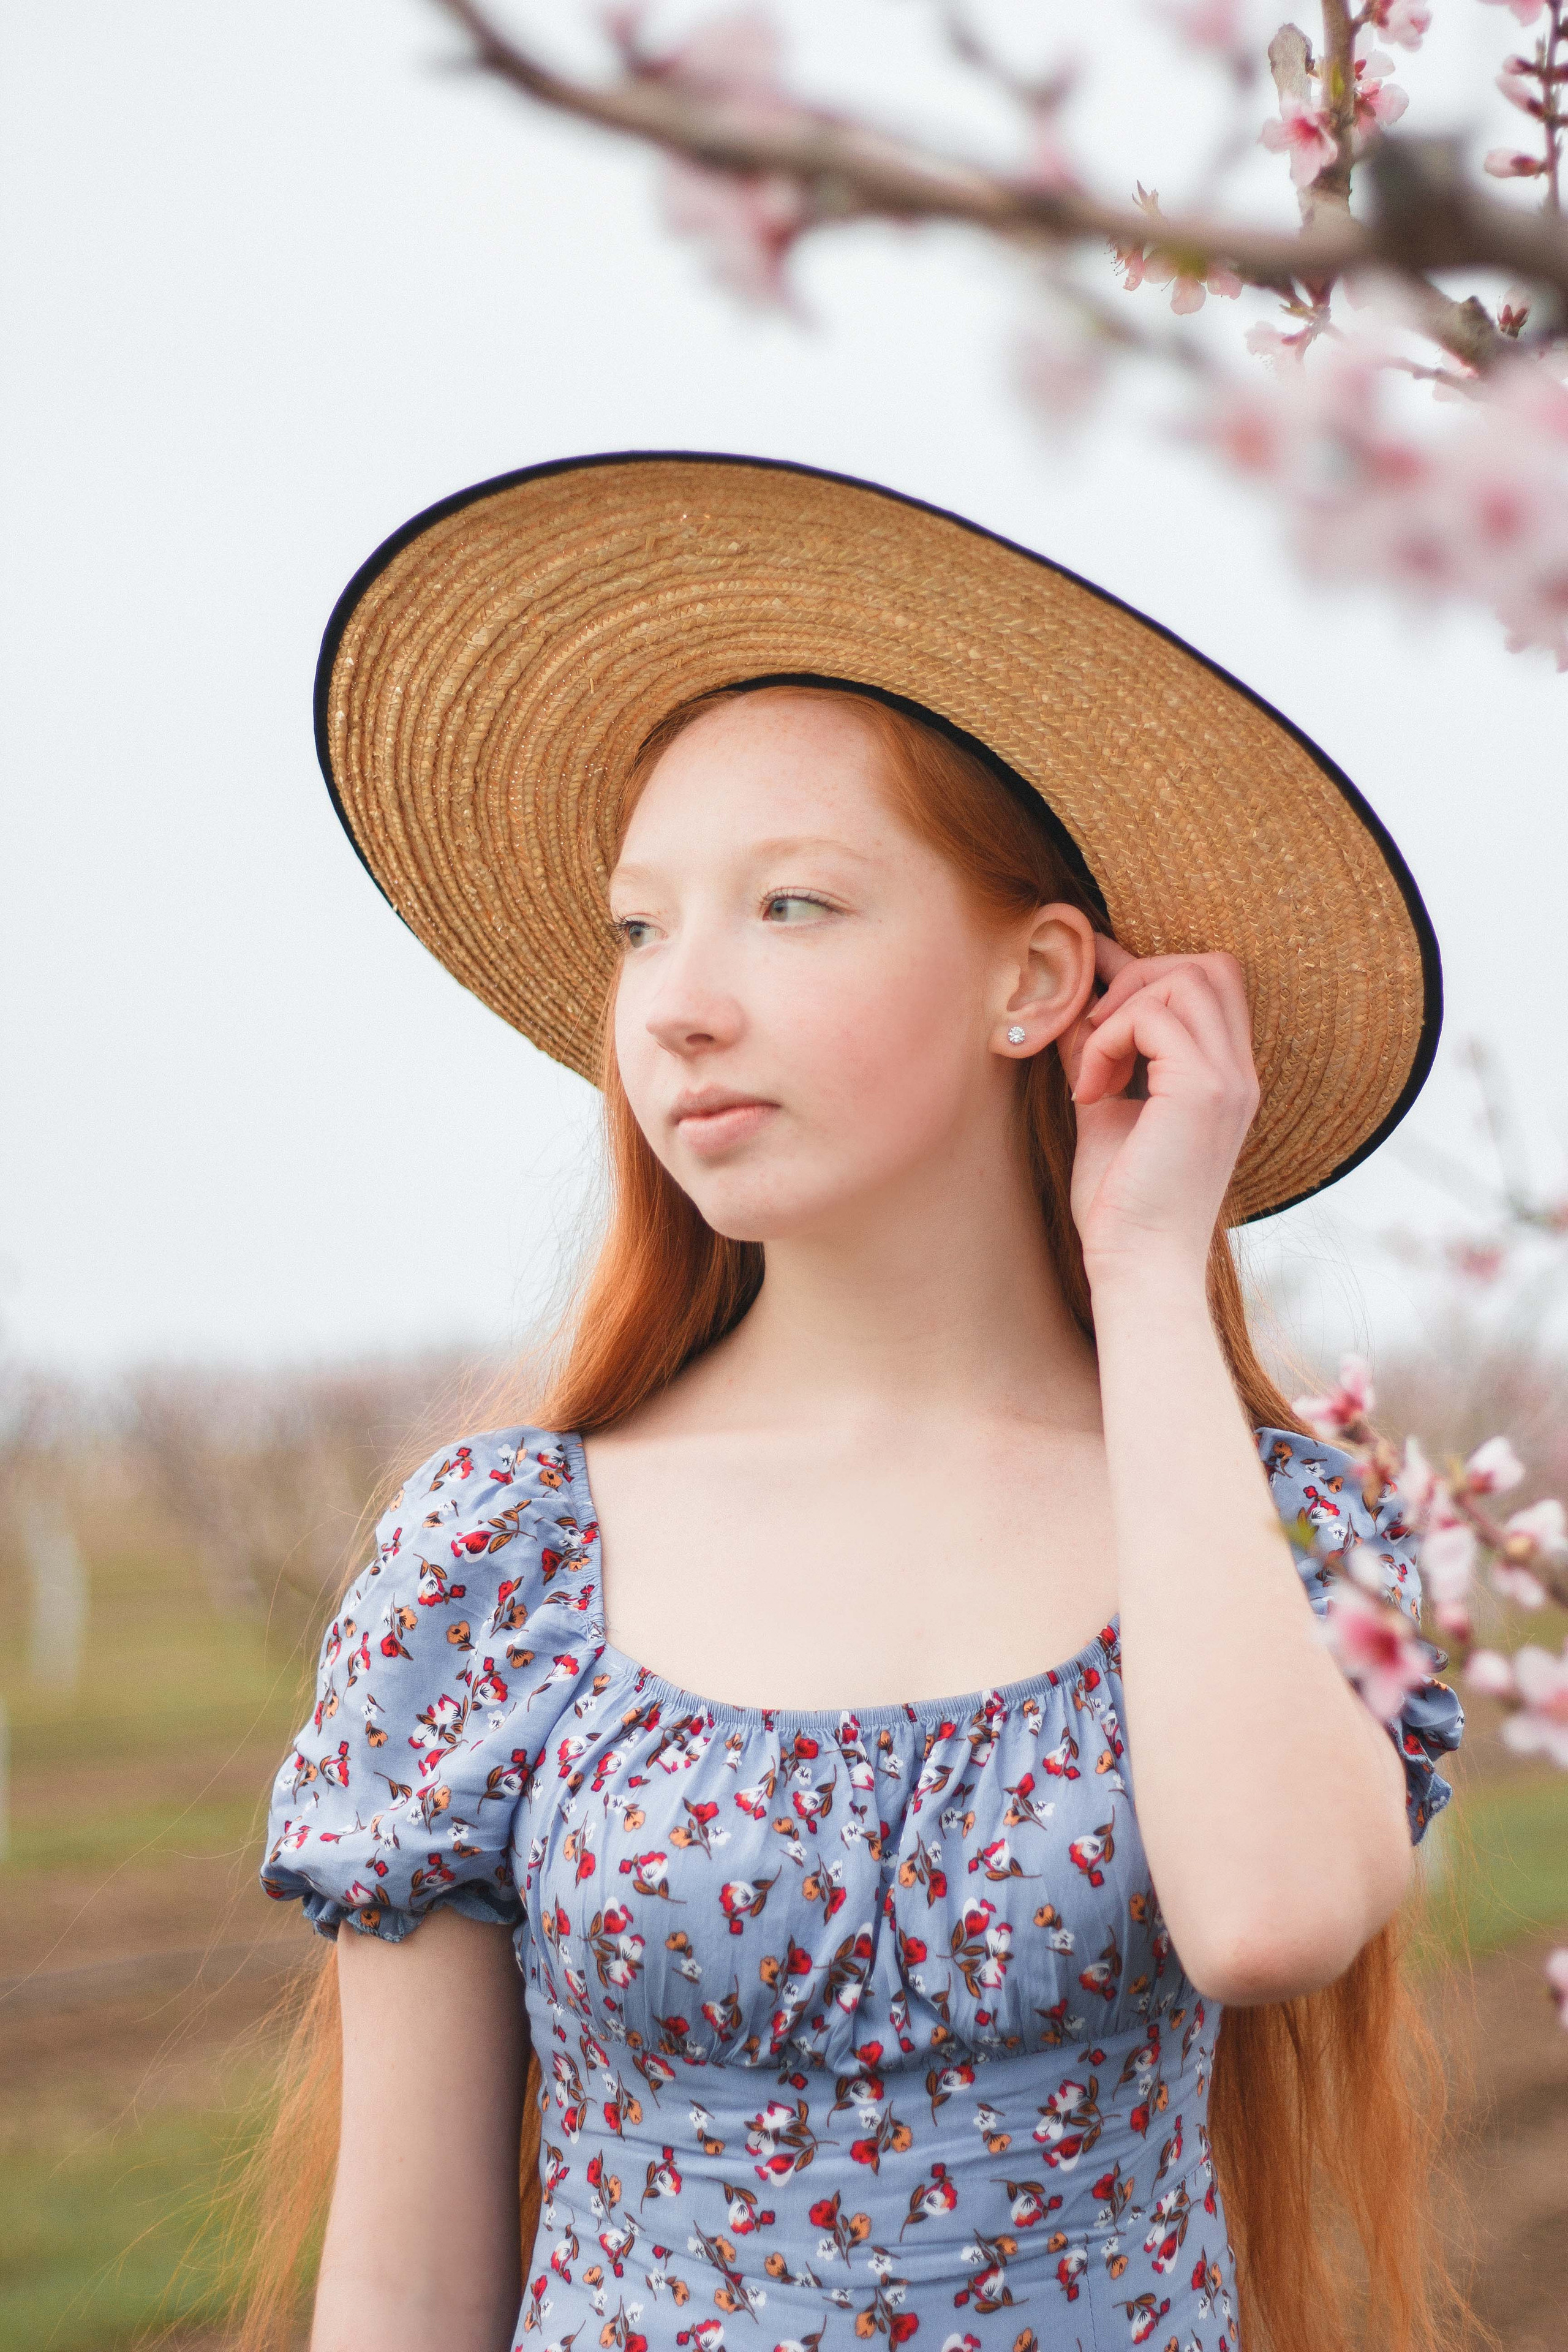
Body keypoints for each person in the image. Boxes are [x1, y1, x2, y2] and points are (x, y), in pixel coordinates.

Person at [253, 457, 1465, 2352]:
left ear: (1038, 978)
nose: (678, 1005)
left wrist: (1150, 1273)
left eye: (790, 907)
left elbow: (1273, 1921)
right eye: (639, 930)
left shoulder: (1282, 1532)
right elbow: (402, 2290)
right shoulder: (494, 1563)